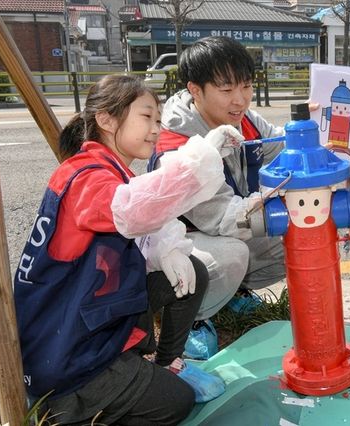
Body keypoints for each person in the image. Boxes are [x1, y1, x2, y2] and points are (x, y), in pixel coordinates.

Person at [14, 74, 244, 425]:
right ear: (106, 120)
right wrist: (203, 156)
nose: (155, 129)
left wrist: (166, 250)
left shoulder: (102, 170)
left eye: (158, 120)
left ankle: (164, 363)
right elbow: (136, 209)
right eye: (146, 116)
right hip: (68, 357)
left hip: (73, 323)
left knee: (191, 271)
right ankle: (80, 412)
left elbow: (142, 217)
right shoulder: (87, 176)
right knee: (177, 404)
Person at [150, 36, 286, 347]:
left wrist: (311, 129)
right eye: (226, 90)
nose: (240, 100)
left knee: (301, 237)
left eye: (246, 86)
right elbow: (220, 218)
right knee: (232, 255)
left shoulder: (243, 120)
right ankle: (187, 317)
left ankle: (231, 294)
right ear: (195, 90)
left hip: (228, 225)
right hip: (180, 243)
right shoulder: (177, 144)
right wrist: (282, 209)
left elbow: (278, 144)